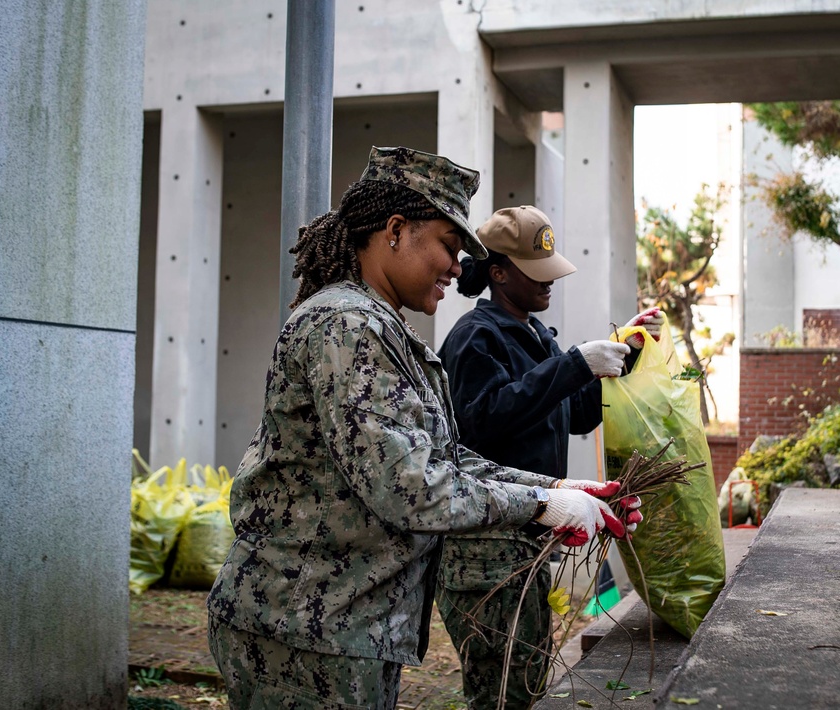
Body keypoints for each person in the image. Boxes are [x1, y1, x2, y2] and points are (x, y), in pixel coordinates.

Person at [206, 147, 637, 710]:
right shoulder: (348, 326)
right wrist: (537, 506)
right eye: (449, 247)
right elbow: (409, 487)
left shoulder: (384, 328)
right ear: (395, 230)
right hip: (301, 629)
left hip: (339, 623)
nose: (459, 269)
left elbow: (445, 458)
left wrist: (557, 489)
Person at [436, 205, 661, 709]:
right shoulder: (476, 339)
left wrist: (623, 354)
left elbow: (575, 415)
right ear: (498, 273)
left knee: (527, 681)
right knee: (505, 695)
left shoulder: (537, 336)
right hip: (486, 550)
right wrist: (573, 364)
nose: (549, 284)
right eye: (536, 274)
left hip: (530, 535)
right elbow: (482, 419)